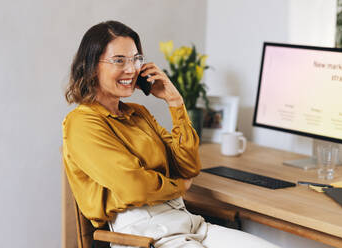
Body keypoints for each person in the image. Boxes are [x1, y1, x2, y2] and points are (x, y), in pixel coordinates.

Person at [62, 20, 278, 248]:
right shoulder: (81, 123)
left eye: (136, 59)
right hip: (144, 233)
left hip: (188, 221)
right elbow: (135, 185)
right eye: (119, 60)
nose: (131, 69)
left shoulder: (139, 114)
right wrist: (179, 187)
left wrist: (175, 101)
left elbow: (188, 167)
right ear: (92, 66)